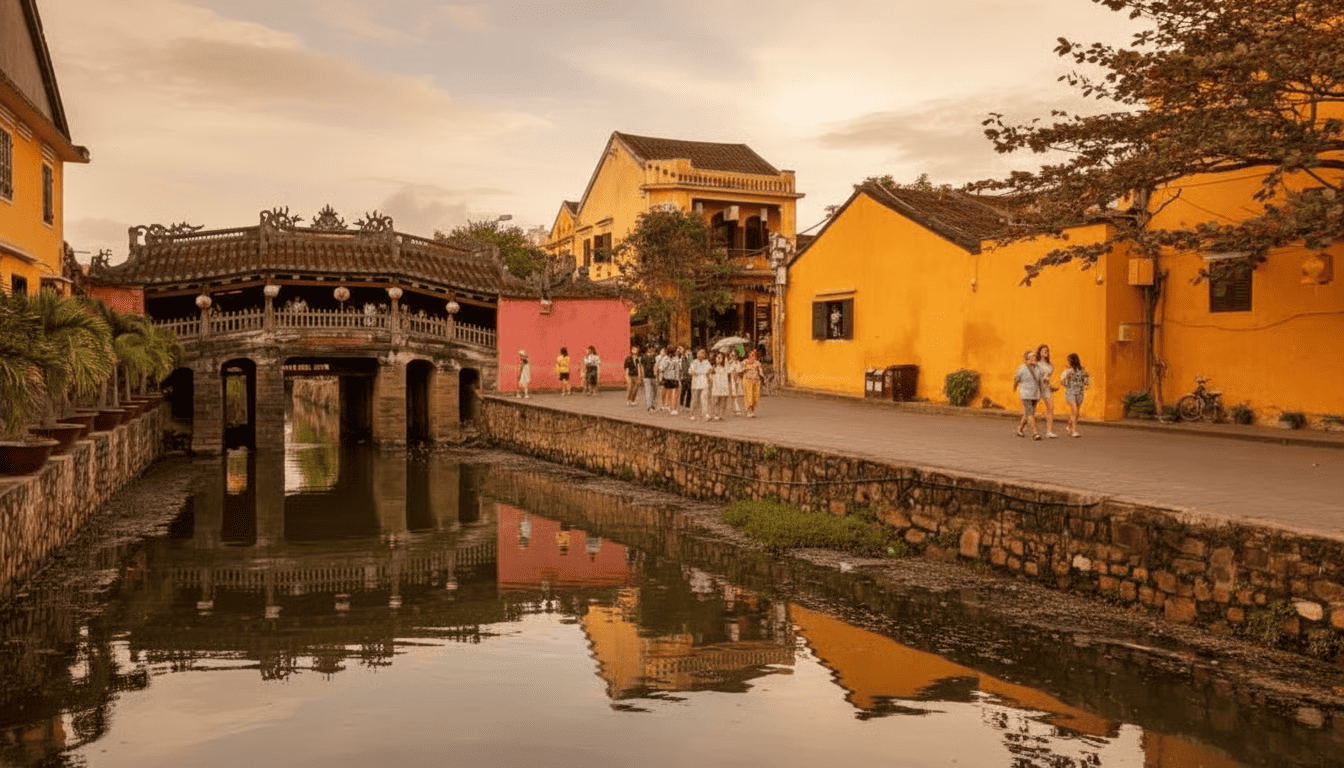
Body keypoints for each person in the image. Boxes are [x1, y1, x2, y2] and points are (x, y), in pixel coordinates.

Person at [1013, 350, 1042, 440]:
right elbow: (1016, 379)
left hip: (1035, 394)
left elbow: (1041, 380)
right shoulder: (1022, 369)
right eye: (1032, 356)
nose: (1034, 358)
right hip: (1026, 394)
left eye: (1034, 356)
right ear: (1027, 359)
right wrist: (1015, 387)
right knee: (1030, 414)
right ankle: (1035, 432)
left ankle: (1019, 429)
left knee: (1028, 413)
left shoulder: (1038, 368)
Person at [1060, 353, 1091, 437]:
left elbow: (1087, 380)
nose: (1068, 362)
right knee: (1074, 409)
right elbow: (1062, 381)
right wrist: (1066, 377)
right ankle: (1074, 431)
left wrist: (1086, 385)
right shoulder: (1067, 371)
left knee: (1076, 413)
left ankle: (1069, 426)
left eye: (1069, 360)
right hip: (1070, 392)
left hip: (1079, 392)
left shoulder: (1082, 370)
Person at [1035, 344, 1058, 438]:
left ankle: (1049, 431)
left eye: (1047, 351)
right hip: (1037, 388)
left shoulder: (1049, 365)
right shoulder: (1036, 364)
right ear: (1039, 352)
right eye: (1043, 350)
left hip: (1046, 388)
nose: (1046, 352)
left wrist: (1051, 386)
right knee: (1031, 410)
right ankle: (1021, 427)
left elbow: (1048, 378)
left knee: (1050, 407)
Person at [688, 348, 712, 421]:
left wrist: (709, 377)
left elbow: (710, 370)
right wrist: (693, 373)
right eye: (699, 354)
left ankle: (705, 413)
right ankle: (692, 413)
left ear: (704, 355)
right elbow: (690, 371)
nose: (700, 355)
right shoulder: (694, 362)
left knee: (704, 398)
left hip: (704, 382)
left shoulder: (707, 362)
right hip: (696, 382)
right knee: (695, 399)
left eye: (702, 354)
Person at [740, 348, 764, 418]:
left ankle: (752, 410)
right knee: (749, 396)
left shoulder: (757, 363)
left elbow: (761, 371)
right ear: (749, 355)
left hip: (756, 381)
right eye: (752, 355)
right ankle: (749, 410)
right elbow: (739, 369)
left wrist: (762, 374)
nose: (753, 356)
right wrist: (745, 369)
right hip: (748, 380)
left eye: (754, 355)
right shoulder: (745, 362)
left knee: (756, 397)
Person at [709, 352, 731, 421]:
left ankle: (720, 414)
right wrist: (711, 374)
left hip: (723, 386)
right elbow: (710, 376)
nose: (718, 359)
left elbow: (729, 371)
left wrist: (726, 356)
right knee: (716, 400)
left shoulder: (725, 367)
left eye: (720, 358)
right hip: (716, 386)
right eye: (717, 357)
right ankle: (716, 414)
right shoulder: (713, 367)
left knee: (723, 401)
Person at [640, 345, 658, 411]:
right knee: (648, 391)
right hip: (647, 376)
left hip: (653, 376)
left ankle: (652, 404)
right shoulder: (644, 357)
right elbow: (641, 366)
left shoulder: (654, 357)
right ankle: (649, 406)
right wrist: (642, 375)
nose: (652, 350)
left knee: (654, 391)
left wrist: (656, 373)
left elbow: (655, 366)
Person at [727, 349, 744, 415]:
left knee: (739, 393)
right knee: (733, 394)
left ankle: (739, 407)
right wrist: (733, 371)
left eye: (735, 355)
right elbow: (728, 371)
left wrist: (739, 373)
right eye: (732, 355)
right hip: (732, 379)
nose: (734, 357)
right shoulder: (730, 363)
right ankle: (735, 408)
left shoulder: (739, 363)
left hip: (738, 379)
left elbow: (741, 370)